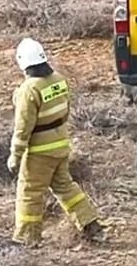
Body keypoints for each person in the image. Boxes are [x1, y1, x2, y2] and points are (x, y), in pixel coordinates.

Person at [8, 38, 104, 246]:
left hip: (39, 152)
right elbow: (65, 110)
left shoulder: (29, 89)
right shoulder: (59, 80)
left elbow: (23, 127)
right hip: (60, 144)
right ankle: (91, 224)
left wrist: (15, 155)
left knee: (30, 191)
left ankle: (27, 237)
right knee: (65, 187)